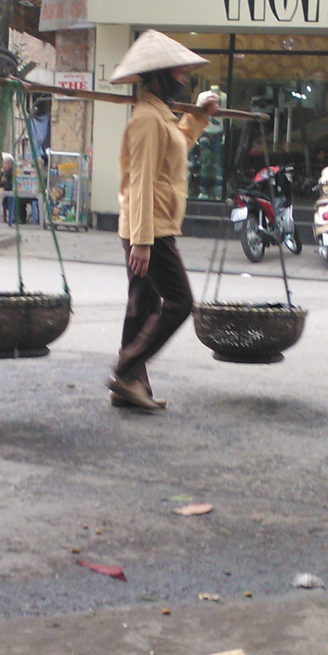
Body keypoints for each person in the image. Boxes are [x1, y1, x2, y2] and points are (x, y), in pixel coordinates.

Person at [108, 30, 220, 411]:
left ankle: (129, 388)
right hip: (150, 231)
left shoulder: (160, 116)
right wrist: (142, 241)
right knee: (180, 301)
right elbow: (140, 181)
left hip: (150, 227)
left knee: (141, 307)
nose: (185, 80)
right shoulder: (146, 120)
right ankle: (126, 369)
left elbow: (177, 149)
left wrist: (199, 116)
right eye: (180, 74)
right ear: (158, 75)